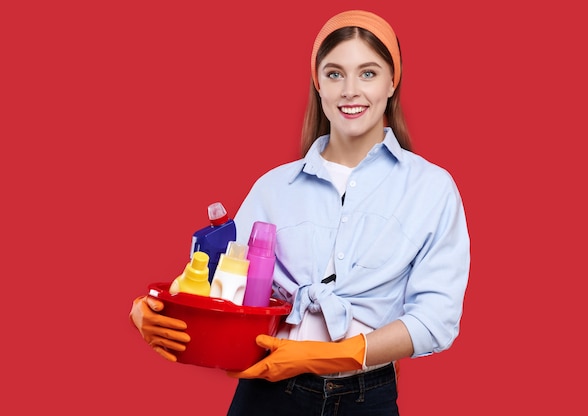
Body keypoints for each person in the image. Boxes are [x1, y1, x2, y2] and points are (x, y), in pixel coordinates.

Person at [130, 9, 470, 415]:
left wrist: (321, 357)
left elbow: (436, 321)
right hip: (269, 395)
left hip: (367, 398)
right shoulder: (273, 188)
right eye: (334, 74)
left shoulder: (431, 190)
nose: (349, 90)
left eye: (368, 73)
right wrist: (153, 309)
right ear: (317, 83)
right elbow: (221, 288)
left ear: (392, 81)